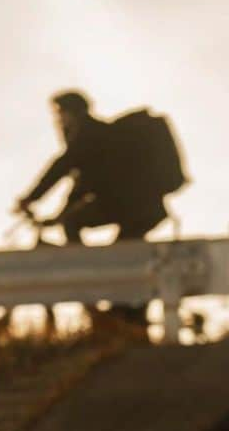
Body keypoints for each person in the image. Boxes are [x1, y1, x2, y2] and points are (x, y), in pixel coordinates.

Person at [13, 90, 172, 337]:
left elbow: (61, 167)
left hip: (136, 208)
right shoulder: (99, 139)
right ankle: (128, 315)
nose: (58, 121)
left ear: (73, 113)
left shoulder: (88, 135)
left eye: (60, 114)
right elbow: (79, 190)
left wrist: (30, 199)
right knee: (126, 258)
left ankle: (87, 273)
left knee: (103, 244)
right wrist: (57, 216)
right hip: (139, 208)